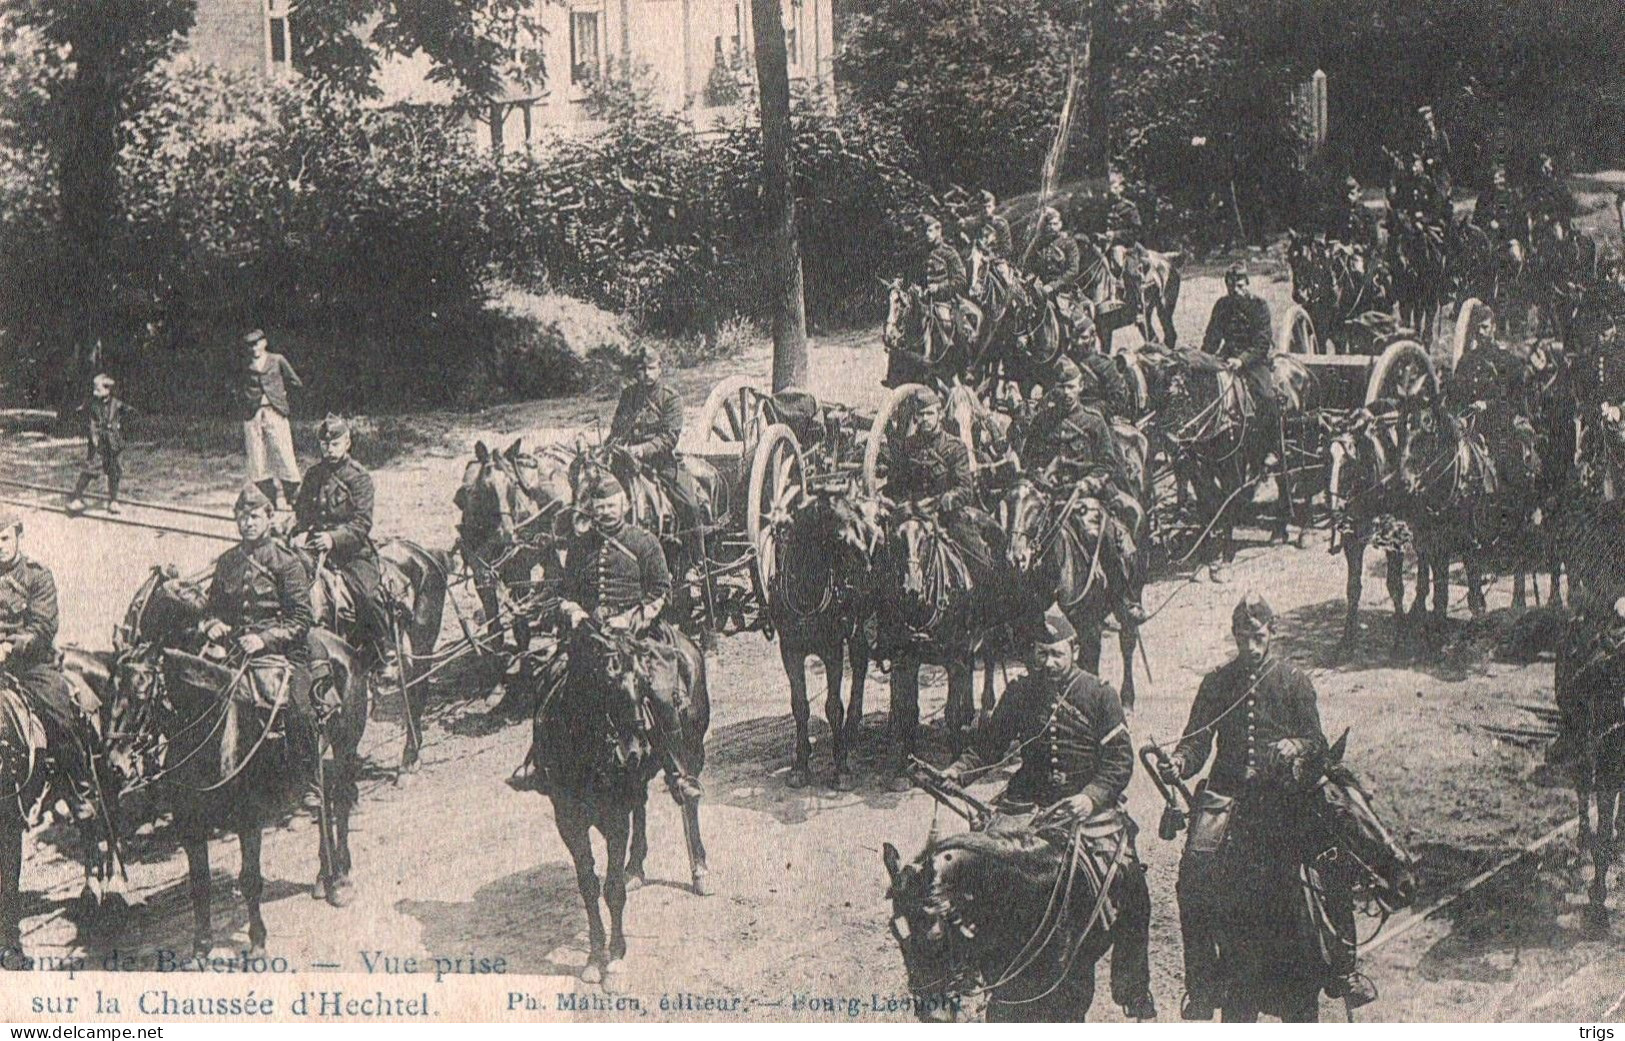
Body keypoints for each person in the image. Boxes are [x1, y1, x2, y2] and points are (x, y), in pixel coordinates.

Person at [1156, 594, 1371, 1019]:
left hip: (1285, 796)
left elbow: (1318, 744)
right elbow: (1197, 741)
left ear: (1272, 633)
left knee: (1333, 860)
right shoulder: (1217, 682)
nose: (1250, 647)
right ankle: (1200, 985)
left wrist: (1297, 745)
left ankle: (1345, 968)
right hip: (1227, 799)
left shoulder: (1293, 681)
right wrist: (1179, 762)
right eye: (1242, 638)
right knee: (1192, 877)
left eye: (1257, 637)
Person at [943, 604, 1157, 1021]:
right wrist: (957, 772)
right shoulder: (1020, 694)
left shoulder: (1100, 695)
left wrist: (1091, 797)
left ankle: (1133, 988)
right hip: (1024, 805)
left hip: (1085, 809)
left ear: (1074, 649)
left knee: (1132, 888)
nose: (1048, 661)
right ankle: (968, 970)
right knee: (976, 869)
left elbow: (1119, 762)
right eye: (1040, 652)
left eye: (1056, 652)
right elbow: (988, 747)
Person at [555, 473, 702, 801]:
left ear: (624, 504)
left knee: (659, 693)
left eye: (611, 504)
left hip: (638, 636)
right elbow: (565, 592)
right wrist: (575, 612)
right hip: (592, 637)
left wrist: (631, 619)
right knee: (555, 684)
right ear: (591, 508)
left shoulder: (643, 541)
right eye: (600, 506)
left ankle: (678, 771)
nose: (606, 511)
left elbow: (660, 592)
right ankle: (542, 761)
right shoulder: (580, 546)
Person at [197, 487, 319, 777]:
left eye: (254, 517)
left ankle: (308, 780)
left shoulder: (286, 562)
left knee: (299, 713)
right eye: (242, 518)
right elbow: (212, 608)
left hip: (284, 652)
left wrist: (264, 639)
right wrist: (213, 624)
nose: (248, 524)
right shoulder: (228, 561)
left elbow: (302, 619)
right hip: (235, 650)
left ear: (269, 517)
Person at [1021, 357, 1147, 624]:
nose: (1066, 393)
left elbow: (1107, 464)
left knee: (1101, 534)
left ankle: (1122, 598)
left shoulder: (1093, 421)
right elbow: (1029, 461)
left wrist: (1088, 483)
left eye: (1071, 386)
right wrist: (1042, 480)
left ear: (1080, 387)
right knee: (1020, 536)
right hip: (1050, 497)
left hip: (1087, 495)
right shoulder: (1042, 422)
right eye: (1061, 387)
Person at [0, 510, 103, 815]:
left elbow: (42, 627)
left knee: (59, 713)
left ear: (18, 536)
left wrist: (8, 646)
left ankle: (78, 790)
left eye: (4, 538)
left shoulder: (37, 575)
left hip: (30, 666)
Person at [291, 415, 396, 681]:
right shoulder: (314, 475)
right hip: (314, 549)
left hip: (351, 553)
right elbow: (302, 511)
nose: (329, 448)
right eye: (324, 444)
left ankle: (385, 651)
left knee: (368, 595)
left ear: (347, 443)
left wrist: (333, 539)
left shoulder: (359, 478)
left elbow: (362, 523)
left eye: (335, 443)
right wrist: (298, 532)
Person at [880, 387, 998, 565]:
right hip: (912, 515)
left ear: (939, 415)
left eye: (929, 413)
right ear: (915, 417)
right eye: (921, 414)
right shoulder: (908, 447)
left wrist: (941, 502)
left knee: (979, 561)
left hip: (947, 518)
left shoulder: (954, 447)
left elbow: (966, 490)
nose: (925, 419)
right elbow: (896, 483)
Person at [606, 344, 702, 548]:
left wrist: (642, 449)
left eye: (651, 368)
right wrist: (608, 448)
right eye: (641, 370)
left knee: (690, 505)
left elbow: (669, 437)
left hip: (661, 465)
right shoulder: (629, 396)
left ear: (660, 368)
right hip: (627, 464)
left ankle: (697, 560)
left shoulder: (670, 398)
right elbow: (617, 430)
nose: (647, 374)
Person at [237, 329, 303, 511]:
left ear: (264, 343)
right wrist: (245, 403)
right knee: (257, 459)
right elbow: (235, 386)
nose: (254, 348)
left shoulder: (277, 360)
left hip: (275, 412)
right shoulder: (244, 365)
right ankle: (268, 502)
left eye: (257, 343)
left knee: (284, 454)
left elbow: (295, 382)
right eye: (250, 345)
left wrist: (282, 400)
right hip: (253, 414)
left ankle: (295, 501)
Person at [67, 373, 132, 515]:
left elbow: (130, 415)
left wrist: (120, 430)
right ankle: (77, 497)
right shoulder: (91, 404)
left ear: (108, 389)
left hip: (113, 442)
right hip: (98, 443)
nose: (95, 392)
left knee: (114, 471)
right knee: (90, 469)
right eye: (95, 389)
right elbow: (82, 415)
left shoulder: (117, 404)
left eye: (99, 389)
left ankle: (114, 500)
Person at [1104, 172, 1146, 313]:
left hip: (1126, 246)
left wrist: (1115, 235)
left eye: (1115, 187)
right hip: (1103, 246)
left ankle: (1138, 304)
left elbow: (1136, 232)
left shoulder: (1129, 207)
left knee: (1130, 272)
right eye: (1109, 187)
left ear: (1121, 188)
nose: (1111, 191)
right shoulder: (1102, 208)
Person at [1472, 162, 1525, 247]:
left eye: (1500, 178)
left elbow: (1520, 222)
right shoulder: (1484, 197)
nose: (1497, 182)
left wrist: (1515, 239)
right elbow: (1477, 219)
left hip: (1510, 240)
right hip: (1488, 240)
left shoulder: (1513, 197)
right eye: (1495, 179)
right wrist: (1489, 223)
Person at [1324, 177, 1380, 254]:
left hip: (1359, 254)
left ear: (1359, 194)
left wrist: (1361, 247)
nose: (1348, 197)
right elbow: (1330, 236)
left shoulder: (1366, 214)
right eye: (1346, 194)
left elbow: (1373, 240)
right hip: (1341, 254)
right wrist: (1337, 245)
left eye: (1352, 193)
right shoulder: (1338, 214)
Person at [974, 190, 1013, 261]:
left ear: (994, 207)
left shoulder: (1000, 224)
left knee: (1002, 271)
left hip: (995, 260)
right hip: (976, 256)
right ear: (979, 208)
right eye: (983, 207)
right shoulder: (975, 223)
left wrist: (992, 256)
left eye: (989, 206)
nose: (986, 210)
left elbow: (1007, 248)